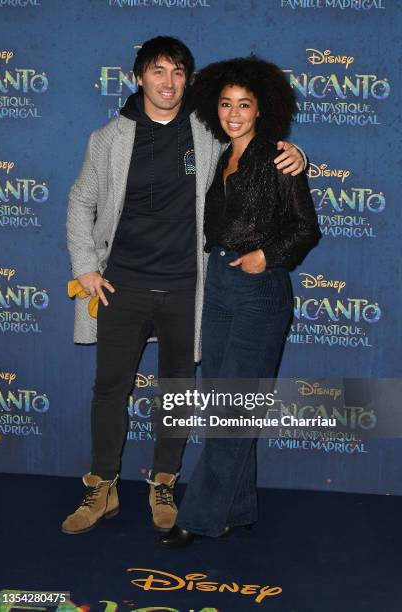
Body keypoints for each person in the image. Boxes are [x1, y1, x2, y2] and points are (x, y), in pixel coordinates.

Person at [63, 37, 306, 535]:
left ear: (189, 81)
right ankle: (101, 486)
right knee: (110, 388)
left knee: (176, 392)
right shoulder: (108, 137)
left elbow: (252, 140)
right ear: (139, 77)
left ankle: (164, 483)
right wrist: (86, 265)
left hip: (188, 288)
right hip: (121, 286)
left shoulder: (206, 131)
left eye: (178, 72)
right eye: (158, 71)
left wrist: (294, 151)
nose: (168, 82)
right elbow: (78, 201)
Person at [161, 56, 321, 548]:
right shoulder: (218, 155)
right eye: (226, 104)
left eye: (244, 105)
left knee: (231, 410)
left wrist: (267, 257)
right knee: (230, 407)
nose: (233, 113)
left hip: (259, 290)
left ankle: (201, 516)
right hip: (219, 287)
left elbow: (305, 228)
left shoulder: (279, 158)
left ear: (261, 109)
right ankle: (239, 509)